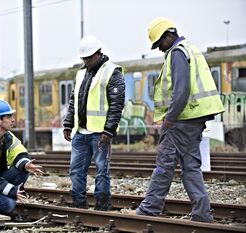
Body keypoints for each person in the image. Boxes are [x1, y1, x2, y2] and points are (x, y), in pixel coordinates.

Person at [132, 17, 224, 222]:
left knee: (164, 163)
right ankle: (202, 215)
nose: (158, 49)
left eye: (159, 43)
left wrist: (169, 120)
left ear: (168, 35)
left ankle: (149, 209)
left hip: (182, 119)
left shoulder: (177, 53)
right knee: (191, 166)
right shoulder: (190, 48)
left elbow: (181, 90)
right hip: (194, 118)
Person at [63, 35, 125, 211]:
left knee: (101, 172)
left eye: (89, 57)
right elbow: (73, 101)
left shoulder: (113, 72)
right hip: (80, 132)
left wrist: (108, 131)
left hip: (100, 133)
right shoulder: (80, 73)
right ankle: (79, 204)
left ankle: (102, 206)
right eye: (84, 58)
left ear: (98, 53)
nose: (86, 61)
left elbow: (116, 105)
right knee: (76, 171)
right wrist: (68, 123)